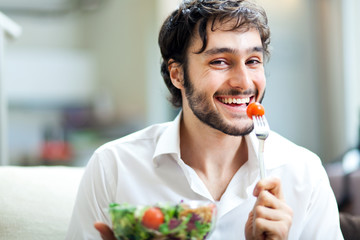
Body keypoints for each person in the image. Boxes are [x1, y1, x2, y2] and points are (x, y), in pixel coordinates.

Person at [66, 0, 344, 239]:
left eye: (253, 61)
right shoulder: (114, 167)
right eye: (220, 62)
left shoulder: (304, 173)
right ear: (177, 75)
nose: (243, 82)